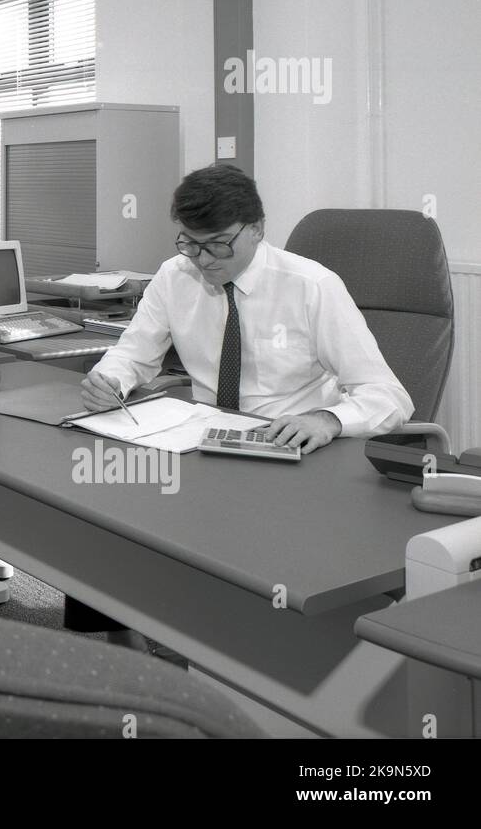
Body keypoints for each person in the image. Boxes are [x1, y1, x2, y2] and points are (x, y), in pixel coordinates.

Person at [70, 164, 413, 648]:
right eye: (189, 242)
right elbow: (133, 353)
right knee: (103, 516)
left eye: (218, 244)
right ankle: (129, 662)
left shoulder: (311, 286)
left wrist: (328, 418)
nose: (203, 259)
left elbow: (389, 396)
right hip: (204, 447)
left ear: (257, 229)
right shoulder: (174, 277)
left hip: (291, 459)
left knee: (240, 566)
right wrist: (112, 379)